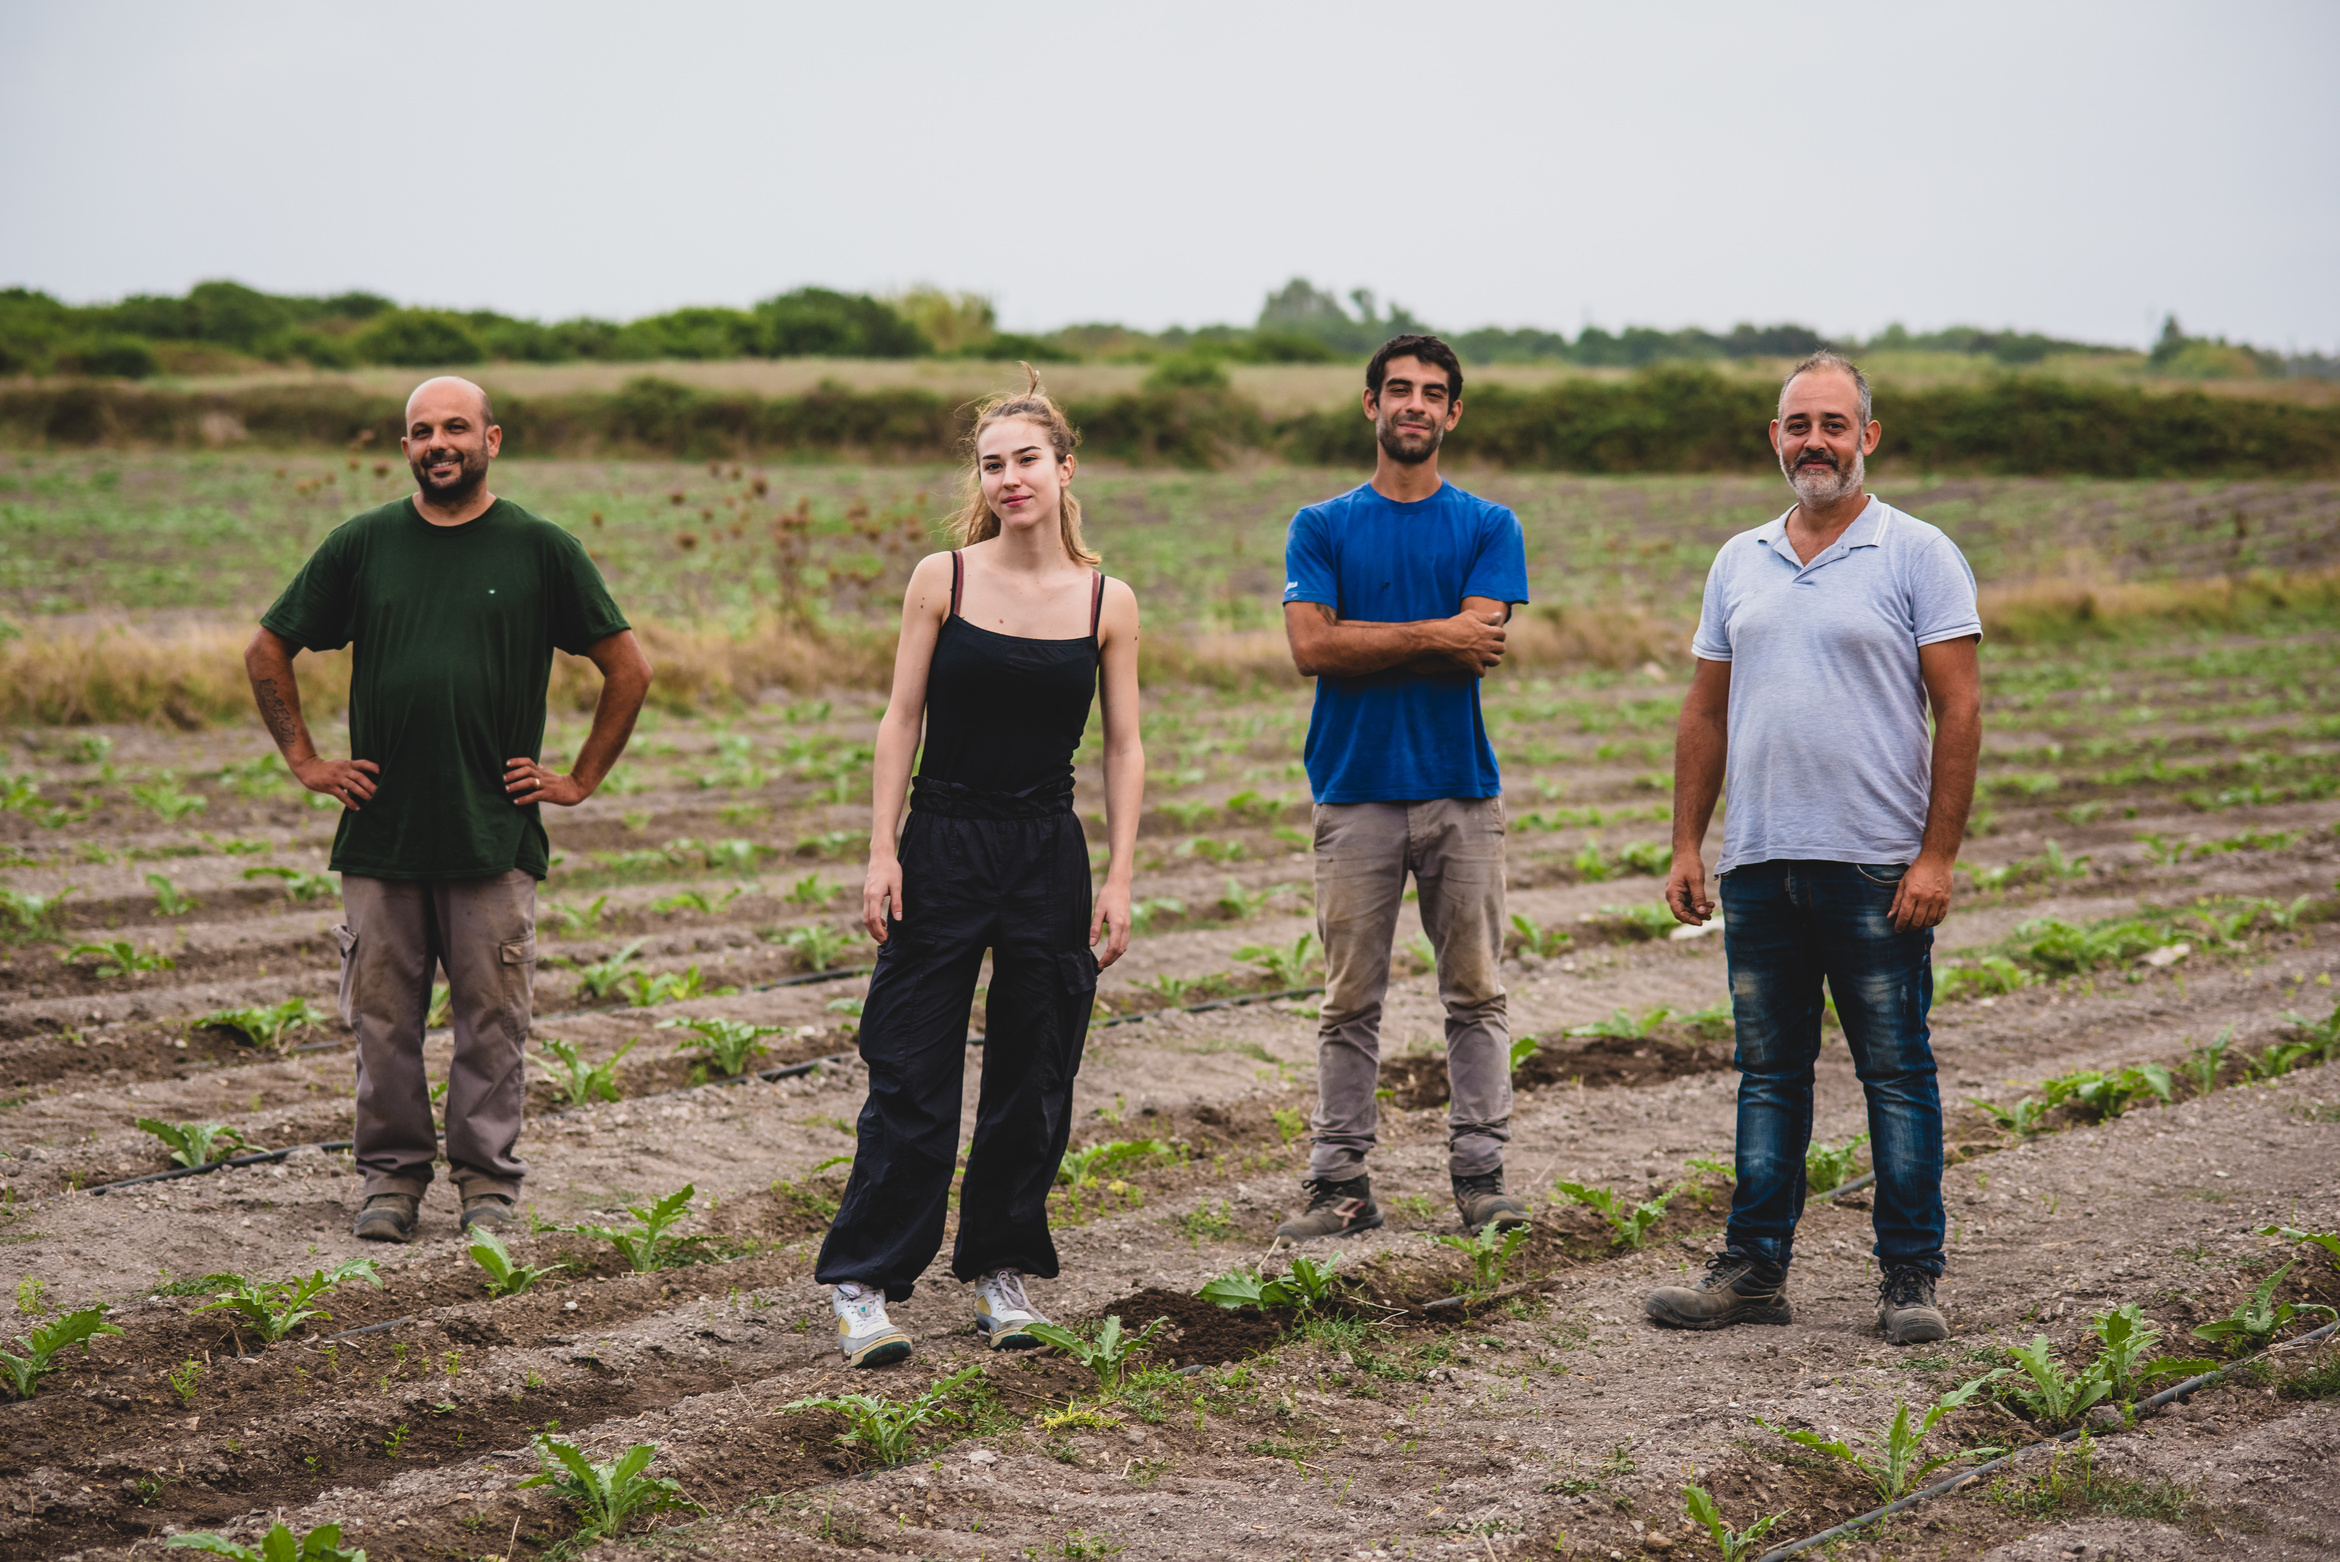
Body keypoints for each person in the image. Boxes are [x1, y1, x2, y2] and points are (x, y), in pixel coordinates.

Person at [246, 376, 652, 1244]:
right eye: (422, 431)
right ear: (405, 449)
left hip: (491, 832)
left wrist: (578, 779)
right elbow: (267, 648)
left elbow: (629, 669)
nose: (439, 443)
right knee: (383, 1022)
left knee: (492, 1021)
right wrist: (306, 760)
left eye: (456, 428)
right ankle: (391, 1182)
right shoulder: (362, 545)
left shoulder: (541, 548)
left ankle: (485, 1184)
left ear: (492, 440)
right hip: (382, 833)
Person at [1646, 350, 1981, 1346]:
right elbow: (1704, 709)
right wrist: (1686, 845)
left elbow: (1958, 710)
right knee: (1768, 1074)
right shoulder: (1739, 557)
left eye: (1835, 424)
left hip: (1875, 867)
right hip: (1758, 863)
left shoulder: (1916, 552)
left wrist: (1935, 858)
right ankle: (1753, 1269)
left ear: (1867, 437)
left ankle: (1910, 1275)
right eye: (1799, 425)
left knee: (1894, 1071)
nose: (1815, 442)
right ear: (1776, 439)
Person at [817, 372, 1144, 1368]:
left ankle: (1002, 1272)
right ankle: (864, 1282)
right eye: (992, 463)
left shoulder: (1106, 599)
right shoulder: (942, 578)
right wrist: (883, 848)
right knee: (911, 1067)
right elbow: (899, 717)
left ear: (1063, 469)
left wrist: (1121, 873)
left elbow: (1125, 745)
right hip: (945, 838)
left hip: (1047, 846)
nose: (1009, 478)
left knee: (1035, 1071)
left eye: (1027, 460)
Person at [1274, 334, 1532, 1244]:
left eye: (1431, 393)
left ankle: (1480, 1177)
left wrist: (1367, 632)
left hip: (1462, 793)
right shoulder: (1323, 524)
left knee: (1475, 993)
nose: (1413, 405)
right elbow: (1313, 649)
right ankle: (1340, 1184)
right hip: (1354, 793)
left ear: (1452, 413)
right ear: (1371, 405)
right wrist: (1436, 634)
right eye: (1398, 391)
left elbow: (1483, 640)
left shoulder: (1489, 525)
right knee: (1349, 1000)